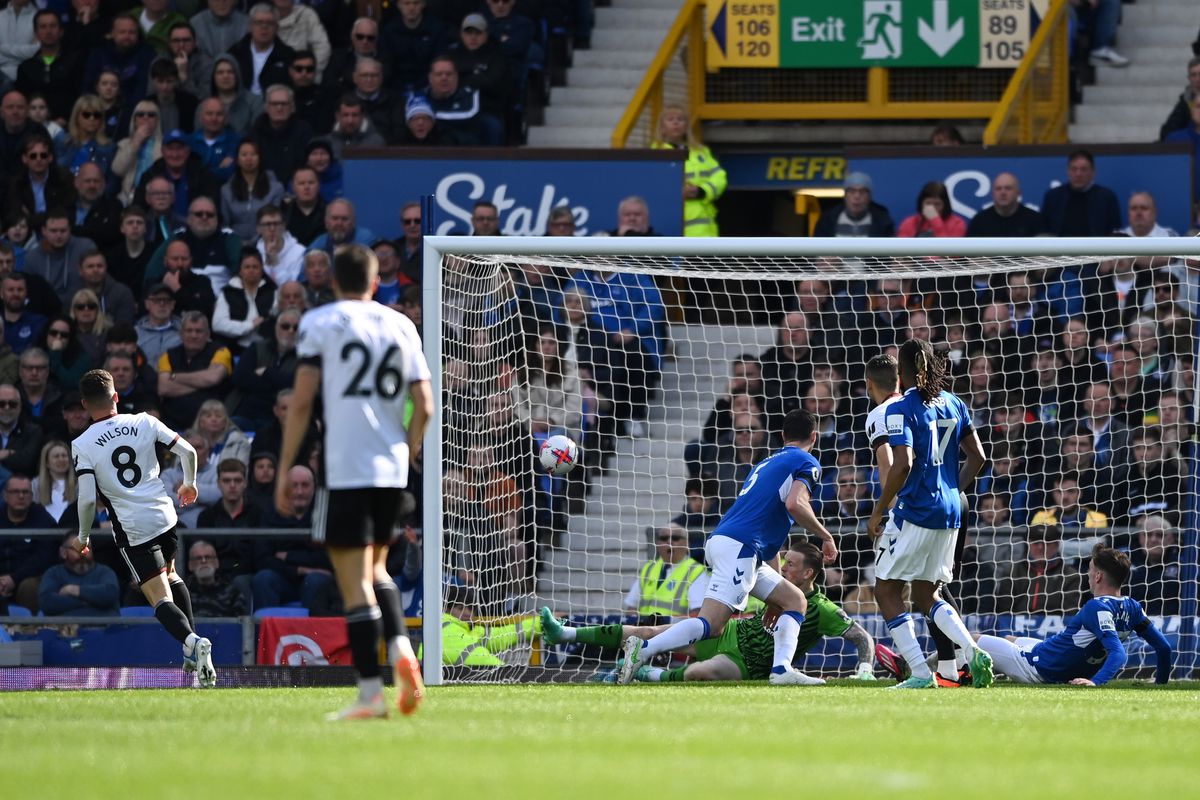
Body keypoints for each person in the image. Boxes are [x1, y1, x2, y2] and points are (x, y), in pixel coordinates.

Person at [274, 242, 431, 719]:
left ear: (334, 281)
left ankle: (370, 694)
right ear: (374, 280)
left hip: (344, 470)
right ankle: (402, 647)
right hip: (391, 470)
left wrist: (285, 469)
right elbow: (425, 404)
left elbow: (301, 402)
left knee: (353, 583)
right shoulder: (401, 324)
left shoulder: (320, 323)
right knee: (378, 569)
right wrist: (411, 447)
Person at [617, 409, 838, 686]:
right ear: (814, 437)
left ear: (783, 436)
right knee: (712, 625)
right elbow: (796, 503)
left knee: (794, 600)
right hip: (740, 547)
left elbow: (768, 533)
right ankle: (645, 649)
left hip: (731, 542)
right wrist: (825, 535)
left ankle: (781, 670)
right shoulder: (806, 461)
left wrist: (774, 595)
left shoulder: (766, 463)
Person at [545, 541, 875, 682]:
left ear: (808, 574)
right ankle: (566, 632)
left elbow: (862, 638)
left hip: (745, 663)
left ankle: (650, 674)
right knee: (649, 632)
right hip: (728, 632)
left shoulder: (822, 609)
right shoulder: (773, 587)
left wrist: (863, 667)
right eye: (785, 562)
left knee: (698, 673)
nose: (785, 569)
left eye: (792, 565)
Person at [70, 368, 215, 686]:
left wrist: (83, 536)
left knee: (158, 597)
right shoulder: (144, 421)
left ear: (84, 404)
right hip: (164, 517)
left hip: (133, 529)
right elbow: (188, 450)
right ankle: (190, 654)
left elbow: (85, 501)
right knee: (173, 574)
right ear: (116, 397)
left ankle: (193, 642)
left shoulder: (82, 443)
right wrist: (189, 484)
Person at [866, 339, 993, 689]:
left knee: (886, 591)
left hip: (917, 510)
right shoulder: (954, 402)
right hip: (952, 510)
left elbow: (902, 463)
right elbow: (978, 457)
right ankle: (970, 651)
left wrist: (878, 511)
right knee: (926, 595)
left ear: (901, 372)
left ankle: (921, 673)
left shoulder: (899, 409)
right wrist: (952, 489)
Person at [977, 545, 1172, 686]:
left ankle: (952, 671)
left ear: (1098, 576)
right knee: (1010, 639)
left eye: (1090, 570)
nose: (1087, 575)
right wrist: (1161, 683)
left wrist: (1095, 683)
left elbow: (1118, 653)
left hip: (1035, 667)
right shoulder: (1134, 607)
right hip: (1047, 651)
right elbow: (1164, 648)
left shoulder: (1096, 607)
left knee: (971, 639)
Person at [650, 104, 725, 237]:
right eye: (670, 119)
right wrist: (676, 193)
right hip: (670, 223)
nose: (676, 122)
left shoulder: (701, 151)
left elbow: (719, 176)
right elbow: (652, 186)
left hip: (704, 228)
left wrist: (702, 191)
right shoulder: (654, 153)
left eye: (680, 119)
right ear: (661, 128)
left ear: (686, 126)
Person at [625, 523, 707, 622]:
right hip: (643, 631)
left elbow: (697, 614)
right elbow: (631, 608)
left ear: (687, 544)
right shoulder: (649, 568)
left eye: (675, 538)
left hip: (676, 633)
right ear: (658, 544)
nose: (669, 542)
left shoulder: (696, 571)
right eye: (664, 538)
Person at [0, 473, 58, 612]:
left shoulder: (42, 518)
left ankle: (29, 630)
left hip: (28, 577)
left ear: (31, 496)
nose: (21, 496)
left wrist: (14, 578)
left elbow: (44, 556)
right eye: (15, 492)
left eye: (25, 492)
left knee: (29, 587)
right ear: (5, 495)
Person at [38, 530, 121, 616]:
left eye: (86, 548)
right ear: (63, 552)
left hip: (103, 628)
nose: (82, 553)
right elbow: (47, 603)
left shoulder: (105, 572)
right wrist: (91, 601)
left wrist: (74, 590)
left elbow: (110, 595)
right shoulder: (53, 573)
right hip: (64, 628)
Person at [1040, 149, 1121, 237]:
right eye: (1074, 169)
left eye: (1084, 169)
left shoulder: (1106, 198)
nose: (1078, 174)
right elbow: (1045, 232)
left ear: (1093, 172)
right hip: (1060, 249)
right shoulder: (1053, 197)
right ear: (1068, 171)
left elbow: (1114, 232)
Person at [813, 172, 895, 237]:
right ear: (845, 195)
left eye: (862, 191)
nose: (857, 196)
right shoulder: (827, 219)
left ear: (869, 196)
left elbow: (890, 254)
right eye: (852, 191)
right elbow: (813, 250)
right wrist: (822, 257)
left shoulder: (883, 221)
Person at [966, 173, 1046, 237]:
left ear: (1018, 192)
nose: (1003, 192)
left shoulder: (1034, 220)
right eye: (998, 189)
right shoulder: (979, 221)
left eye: (1008, 188)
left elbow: (1044, 252)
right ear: (993, 193)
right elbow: (969, 252)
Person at [183, 538, 249, 616]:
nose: (203, 561)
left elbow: (239, 624)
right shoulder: (181, 593)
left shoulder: (232, 593)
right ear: (190, 565)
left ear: (216, 563)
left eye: (208, 557)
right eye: (198, 558)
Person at [897, 180, 966, 238]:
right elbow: (900, 251)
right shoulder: (909, 223)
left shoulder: (957, 223)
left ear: (945, 205)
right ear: (921, 203)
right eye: (928, 203)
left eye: (937, 204)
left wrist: (935, 221)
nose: (932, 208)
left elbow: (952, 252)